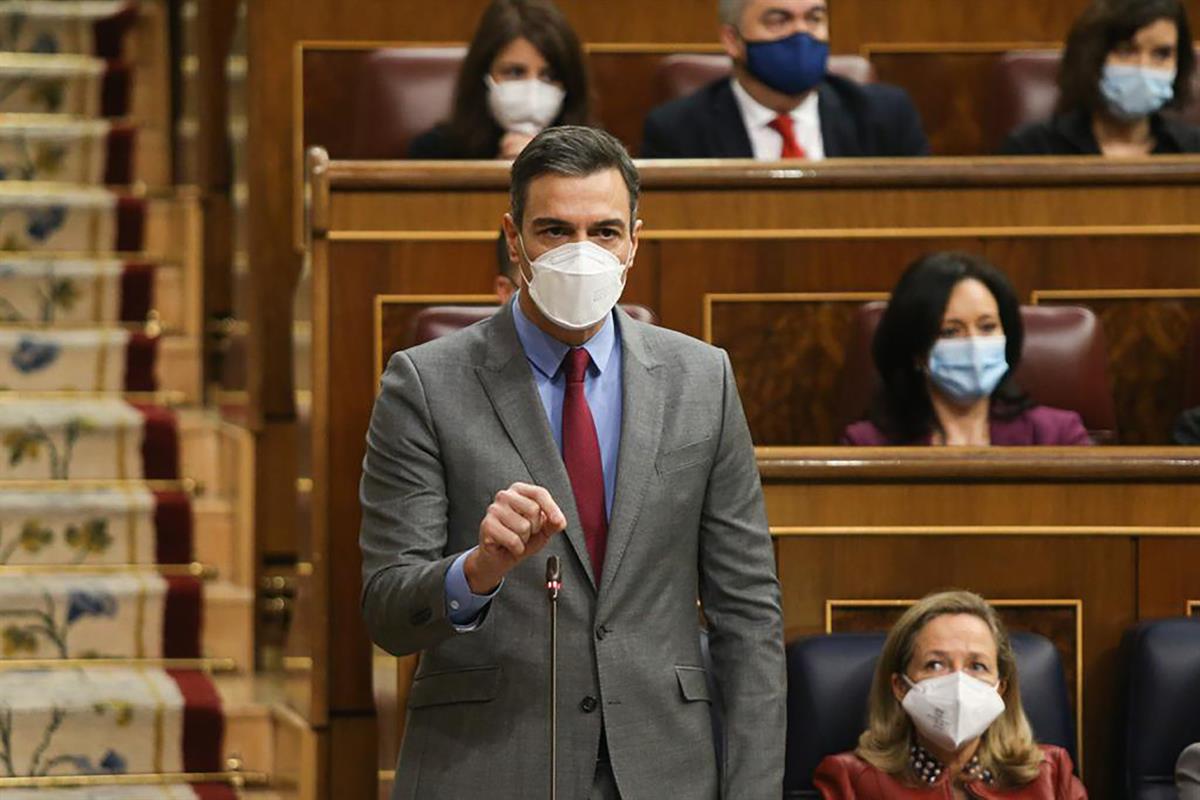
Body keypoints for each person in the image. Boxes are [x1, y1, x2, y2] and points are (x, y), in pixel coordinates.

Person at [360, 125, 785, 799]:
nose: (582, 253)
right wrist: (476, 572)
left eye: (606, 232)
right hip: (487, 764)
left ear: (634, 243)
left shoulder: (702, 379)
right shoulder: (426, 383)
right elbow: (386, 612)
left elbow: (749, 614)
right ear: (514, 239)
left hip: (663, 768)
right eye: (556, 230)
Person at [814, 590, 1088, 798]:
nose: (959, 682)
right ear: (900, 686)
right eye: (935, 664)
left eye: (977, 666)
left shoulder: (1051, 777)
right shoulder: (849, 782)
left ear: (1000, 690)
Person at [842, 253, 1092, 446]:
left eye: (987, 327)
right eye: (951, 332)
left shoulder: (1057, 435)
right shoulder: (869, 444)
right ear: (916, 350)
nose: (974, 344)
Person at [640, 0, 928, 159]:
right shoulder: (678, 131)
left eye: (814, 18)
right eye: (779, 20)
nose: (801, 33)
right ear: (732, 40)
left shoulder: (887, 117)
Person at [1000, 0, 1200, 156]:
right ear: (1092, 57)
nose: (1143, 67)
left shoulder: (1193, 150)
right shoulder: (1032, 148)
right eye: (1126, 51)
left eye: (1161, 54)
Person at [408, 0, 592, 160]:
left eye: (548, 76)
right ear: (483, 74)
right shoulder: (434, 152)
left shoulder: (596, 157)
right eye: (515, 72)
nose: (532, 91)